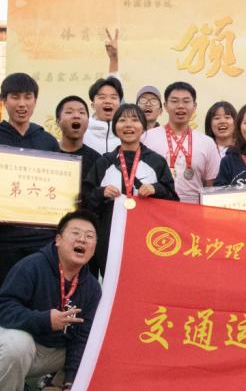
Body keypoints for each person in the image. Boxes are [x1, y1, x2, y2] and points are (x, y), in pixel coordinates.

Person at [0, 210, 102, 391]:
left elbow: (82, 339)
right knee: (17, 342)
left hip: (48, 354)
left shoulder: (91, 286)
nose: (82, 239)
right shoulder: (31, 266)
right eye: (75, 233)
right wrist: (44, 320)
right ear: (58, 239)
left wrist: (71, 385)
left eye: (89, 236)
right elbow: (2, 310)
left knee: (96, 344)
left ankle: (56, 386)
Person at [0, 73, 60, 295]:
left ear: (35, 100)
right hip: (4, 241)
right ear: (4, 101)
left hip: (43, 241)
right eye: (15, 97)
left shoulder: (48, 142)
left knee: (42, 297)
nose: (22, 104)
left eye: (28, 97)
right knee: (7, 298)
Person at [83, 104, 177, 277]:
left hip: (147, 238)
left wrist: (156, 189)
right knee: (112, 283)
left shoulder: (156, 162)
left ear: (143, 127)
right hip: (110, 239)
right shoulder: (104, 162)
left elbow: (173, 202)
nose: (128, 125)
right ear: (115, 127)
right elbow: (86, 202)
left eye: (135, 120)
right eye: (122, 120)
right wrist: (101, 193)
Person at [142, 82, 221, 205]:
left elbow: (211, 185)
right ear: (165, 106)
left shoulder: (207, 143)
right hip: (157, 208)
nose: (180, 106)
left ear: (194, 106)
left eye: (186, 101)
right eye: (174, 101)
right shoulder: (147, 138)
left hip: (193, 210)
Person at [82, 30, 125, 154]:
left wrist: (114, 59)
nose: (108, 101)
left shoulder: (127, 134)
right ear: (92, 105)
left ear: (120, 103)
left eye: (113, 97)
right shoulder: (82, 132)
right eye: (102, 97)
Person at [55, 96, 101, 178]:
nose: (76, 116)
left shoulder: (97, 160)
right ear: (58, 122)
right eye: (69, 112)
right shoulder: (47, 154)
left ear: (88, 122)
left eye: (81, 112)